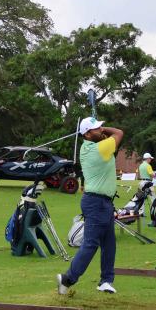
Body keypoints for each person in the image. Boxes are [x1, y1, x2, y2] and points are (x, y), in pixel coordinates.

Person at [57, 118, 124, 295]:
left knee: (109, 244)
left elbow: (106, 136)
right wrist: (105, 128)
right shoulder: (98, 149)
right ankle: (67, 279)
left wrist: (98, 130)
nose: (101, 130)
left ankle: (106, 281)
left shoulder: (93, 146)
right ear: (87, 134)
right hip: (96, 203)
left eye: (100, 126)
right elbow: (118, 133)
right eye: (96, 128)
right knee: (91, 244)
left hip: (104, 202)